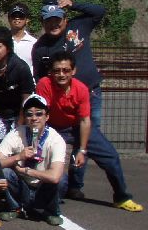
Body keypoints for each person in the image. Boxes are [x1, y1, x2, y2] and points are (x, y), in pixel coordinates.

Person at [36, 52, 142, 211]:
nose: (61, 74)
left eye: (66, 70)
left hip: (78, 127)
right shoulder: (44, 84)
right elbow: (42, 114)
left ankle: (121, 198)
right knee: (52, 167)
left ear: (73, 71)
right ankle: (43, 197)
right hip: (55, 128)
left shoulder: (81, 89)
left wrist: (82, 150)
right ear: (51, 72)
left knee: (111, 157)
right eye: (57, 71)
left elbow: (85, 121)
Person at [32, 0, 106, 130]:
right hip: (62, 99)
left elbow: (100, 11)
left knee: (92, 132)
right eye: (49, 21)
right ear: (42, 23)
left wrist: (73, 4)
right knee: (64, 134)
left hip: (90, 92)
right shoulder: (40, 48)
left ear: (65, 20)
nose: (54, 24)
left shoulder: (78, 26)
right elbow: (40, 78)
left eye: (57, 20)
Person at [0, 94, 67, 226]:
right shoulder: (16, 134)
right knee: (5, 172)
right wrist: (18, 157)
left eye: (39, 114)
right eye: (29, 114)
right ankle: (14, 207)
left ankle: (51, 211)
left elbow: (55, 177)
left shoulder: (56, 140)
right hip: (22, 186)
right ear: (24, 117)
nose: (34, 118)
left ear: (47, 116)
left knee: (62, 178)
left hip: (42, 187)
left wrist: (27, 171)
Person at [8, 3, 37, 73]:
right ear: (9, 19)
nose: (17, 18)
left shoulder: (34, 43)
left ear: (27, 20)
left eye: (21, 16)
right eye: (14, 16)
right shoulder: (2, 40)